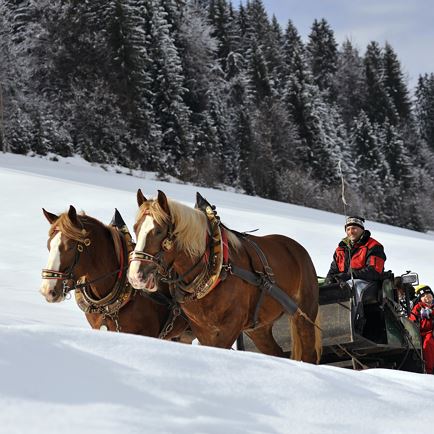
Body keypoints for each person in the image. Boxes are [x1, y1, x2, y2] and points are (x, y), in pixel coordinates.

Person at [325, 216, 386, 318]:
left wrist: (349, 275)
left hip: (369, 282)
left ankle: (354, 322)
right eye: (348, 229)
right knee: (326, 288)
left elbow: (374, 271)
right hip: (345, 280)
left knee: (353, 286)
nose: (351, 232)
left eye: (354, 228)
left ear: (362, 229)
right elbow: (333, 270)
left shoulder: (374, 246)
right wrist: (329, 280)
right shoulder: (340, 249)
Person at [409, 284, 434, 374]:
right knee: (426, 345)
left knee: (429, 342)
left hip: (431, 332)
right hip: (422, 333)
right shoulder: (418, 307)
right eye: (423, 296)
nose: (426, 297)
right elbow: (412, 318)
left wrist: (431, 313)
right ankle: (429, 370)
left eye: (428, 295)